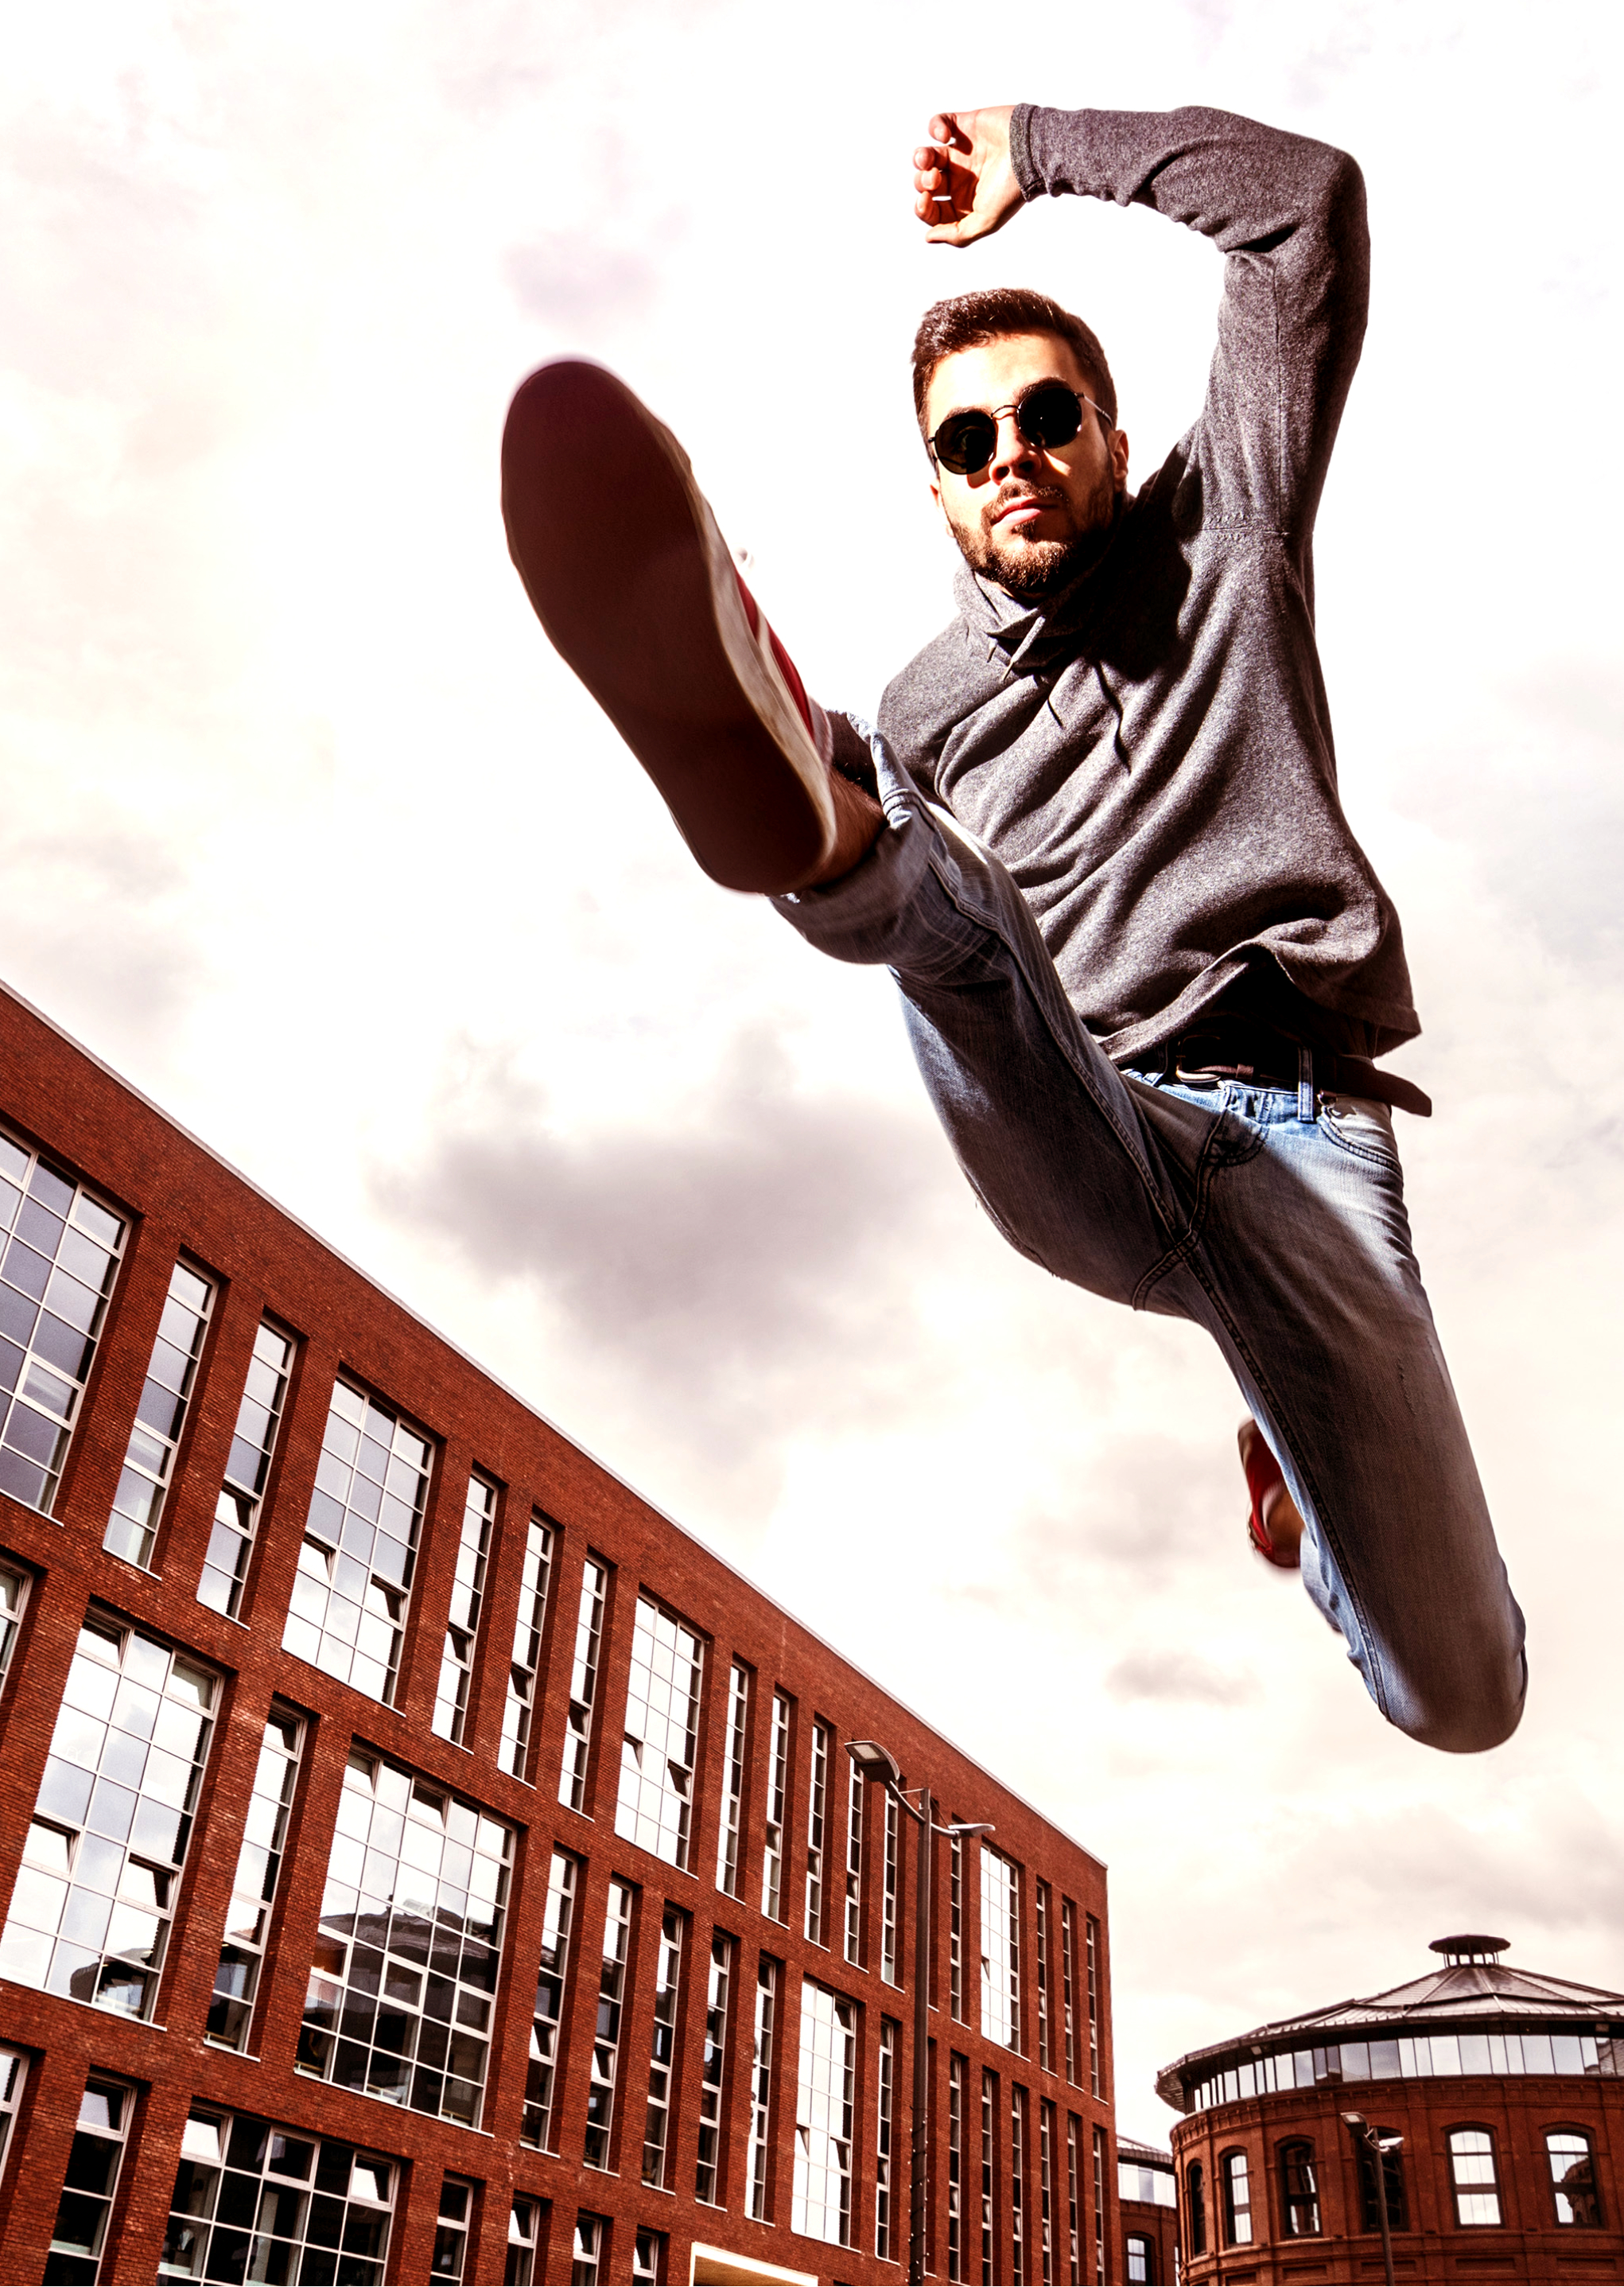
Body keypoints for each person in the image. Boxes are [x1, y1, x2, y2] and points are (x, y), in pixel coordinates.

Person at [497, 101, 1522, 1754]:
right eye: (969, 445)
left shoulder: (1228, 536)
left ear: (1115, 440)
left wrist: (1039, 152)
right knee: (946, 919)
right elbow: (977, 975)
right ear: (937, 491)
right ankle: (813, 801)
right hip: (1090, 1115)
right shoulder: (929, 704)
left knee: (1461, 1694)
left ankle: (1306, 1486)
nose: (1013, 458)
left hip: (1303, 1147)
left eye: (1047, 419)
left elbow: (1305, 210)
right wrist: (854, 803)